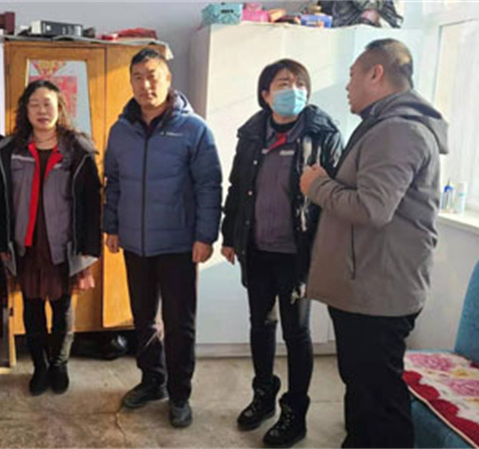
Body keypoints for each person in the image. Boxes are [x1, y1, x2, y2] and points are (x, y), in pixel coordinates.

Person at [300, 39, 447, 448]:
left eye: (352, 76)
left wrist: (317, 186)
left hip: (377, 291)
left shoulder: (398, 131)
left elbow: (372, 208)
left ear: (376, 73)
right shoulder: (384, 125)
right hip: (368, 285)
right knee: (363, 389)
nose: (347, 86)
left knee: (379, 399)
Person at [221, 59, 343, 446]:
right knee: (261, 324)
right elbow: (237, 187)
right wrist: (229, 236)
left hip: (297, 253)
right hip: (257, 248)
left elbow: (334, 195)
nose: (294, 89)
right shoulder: (252, 133)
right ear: (266, 94)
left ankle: (295, 412)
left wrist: (326, 251)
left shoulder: (322, 133)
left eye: (300, 83)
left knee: (296, 332)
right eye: (284, 83)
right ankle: (263, 395)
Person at [103, 48, 222, 428]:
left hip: (178, 244)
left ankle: (180, 393)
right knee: (143, 318)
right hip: (135, 243)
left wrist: (205, 236)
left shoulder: (194, 129)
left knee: (179, 322)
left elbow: (209, 185)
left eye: (152, 76)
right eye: (137, 77)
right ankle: (152, 379)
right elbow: (113, 182)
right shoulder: (120, 130)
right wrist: (111, 226)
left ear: (168, 79)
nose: (145, 84)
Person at [0, 79, 101, 396]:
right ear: (25, 110)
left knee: (62, 307)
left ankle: (59, 364)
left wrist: (89, 248)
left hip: (64, 243)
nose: (42, 110)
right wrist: (0, 242)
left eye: (48, 104)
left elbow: (91, 202)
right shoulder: (9, 150)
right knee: (31, 306)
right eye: (35, 104)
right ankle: (40, 367)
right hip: (25, 242)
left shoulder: (78, 150)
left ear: (59, 108)